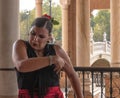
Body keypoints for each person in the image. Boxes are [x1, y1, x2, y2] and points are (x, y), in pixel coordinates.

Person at [12, 14, 83, 98]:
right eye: (33, 33)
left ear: (49, 37)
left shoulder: (57, 50)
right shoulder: (20, 45)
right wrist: (52, 59)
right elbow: (21, 65)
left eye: (41, 36)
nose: (35, 38)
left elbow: (72, 74)